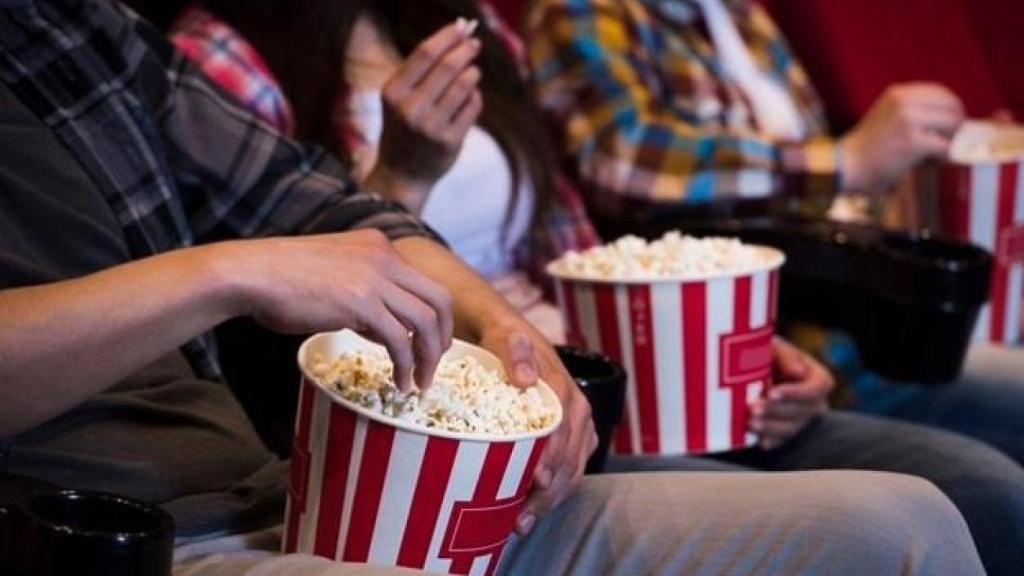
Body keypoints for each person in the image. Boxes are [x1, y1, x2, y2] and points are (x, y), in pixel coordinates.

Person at [0, 1, 989, 574]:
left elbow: (331, 212)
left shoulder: (76, 32)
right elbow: (306, 298)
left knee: (910, 522)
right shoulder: (232, 46)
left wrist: (523, 347)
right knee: (978, 478)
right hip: (179, 513)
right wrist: (231, 268)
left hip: (421, 445)